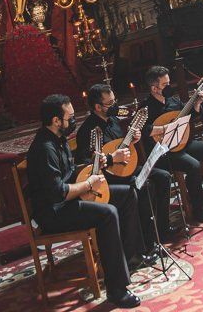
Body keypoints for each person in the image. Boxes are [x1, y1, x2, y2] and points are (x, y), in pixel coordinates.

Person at [26, 94, 153, 308]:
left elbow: (68, 172)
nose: (74, 121)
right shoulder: (44, 148)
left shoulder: (58, 138)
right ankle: (117, 290)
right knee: (108, 213)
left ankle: (130, 258)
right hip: (53, 212)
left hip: (66, 200)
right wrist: (89, 184)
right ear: (56, 121)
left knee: (127, 193)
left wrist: (100, 162)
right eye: (70, 117)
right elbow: (59, 192)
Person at [76, 84, 176, 245]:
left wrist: (133, 140)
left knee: (163, 177)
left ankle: (162, 230)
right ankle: (145, 242)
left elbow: (121, 147)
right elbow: (87, 164)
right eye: (110, 103)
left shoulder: (113, 120)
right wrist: (110, 158)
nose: (115, 106)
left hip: (124, 169)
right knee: (144, 187)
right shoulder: (88, 131)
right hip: (106, 177)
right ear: (97, 107)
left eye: (115, 101)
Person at [140, 66, 203, 224]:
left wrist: (197, 103)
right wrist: (164, 128)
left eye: (169, 83)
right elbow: (143, 130)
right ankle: (199, 210)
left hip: (185, 143)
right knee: (193, 165)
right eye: (165, 85)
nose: (169, 87)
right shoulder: (145, 108)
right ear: (154, 88)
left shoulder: (173, 100)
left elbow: (190, 116)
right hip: (165, 152)